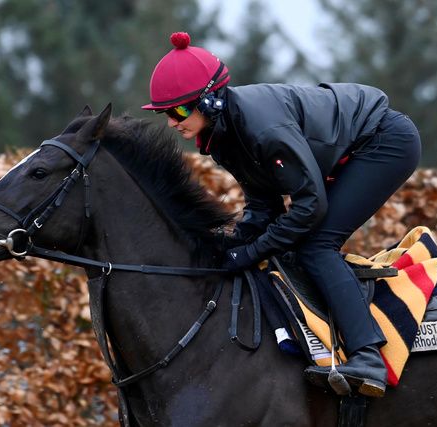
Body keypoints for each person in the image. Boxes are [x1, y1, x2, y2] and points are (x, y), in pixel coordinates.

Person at [142, 32, 421, 398]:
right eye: (165, 113)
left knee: (315, 245)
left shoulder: (263, 129)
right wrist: (228, 246)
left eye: (179, 111)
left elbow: (310, 205)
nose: (172, 123)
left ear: (211, 101)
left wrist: (250, 252)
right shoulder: (221, 138)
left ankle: (367, 357)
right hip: (350, 148)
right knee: (287, 248)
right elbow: (265, 207)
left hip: (385, 141)